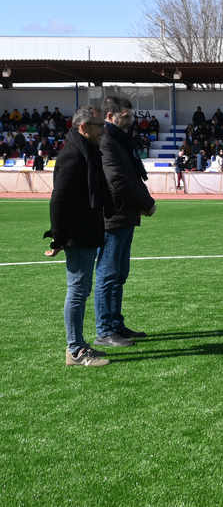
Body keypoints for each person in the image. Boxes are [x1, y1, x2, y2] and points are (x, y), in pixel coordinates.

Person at [44, 105, 115, 366]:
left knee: (81, 290)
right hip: (77, 235)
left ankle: (79, 345)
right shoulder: (72, 155)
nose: (104, 131)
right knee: (77, 291)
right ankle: (75, 351)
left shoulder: (87, 152)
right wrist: (58, 238)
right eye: (100, 126)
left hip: (86, 231)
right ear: (83, 128)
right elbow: (58, 201)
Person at [93, 96, 157, 347]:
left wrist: (142, 202)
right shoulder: (107, 140)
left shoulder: (118, 140)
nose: (131, 120)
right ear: (110, 117)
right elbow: (117, 181)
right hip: (112, 217)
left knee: (118, 275)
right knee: (108, 276)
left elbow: (127, 177)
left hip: (123, 216)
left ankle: (116, 325)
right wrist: (146, 203)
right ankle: (105, 330)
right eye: (126, 116)